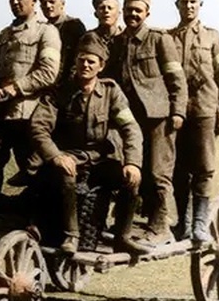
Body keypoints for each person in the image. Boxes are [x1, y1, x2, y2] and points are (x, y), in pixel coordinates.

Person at [31, 34, 146, 254]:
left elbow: (131, 128)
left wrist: (133, 163)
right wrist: (56, 156)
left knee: (130, 179)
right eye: (81, 60)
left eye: (91, 61)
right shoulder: (59, 93)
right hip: (67, 157)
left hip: (99, 160)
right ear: (75, 62)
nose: (85, 65)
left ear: (101, 66)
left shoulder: (111, 92)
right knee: (66, 177)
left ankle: (122, 236)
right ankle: (71, 236)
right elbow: (39, 128)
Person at [104, 0, 187, 245]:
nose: (132, 15)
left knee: (159, 173)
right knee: (130, 170)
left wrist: (178, 112)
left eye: (138, 10)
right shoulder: (118, 42)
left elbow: (177, 79)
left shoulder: (160, 39)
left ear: (147, 12)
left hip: (158, 116)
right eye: (128, 10)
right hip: (130, 119)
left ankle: (161, 227)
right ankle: (126, 225)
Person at [0, 0, 61, 214]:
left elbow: (48, 72)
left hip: (27, 115)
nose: (15, 2)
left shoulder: (46, 33)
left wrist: (16, 88)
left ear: (33, 0)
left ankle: (36, 221)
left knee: (33, 170)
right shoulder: (4, 35)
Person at [168, 0, 219, 243]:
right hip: (179, 112)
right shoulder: (168, 37)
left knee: (203, 167)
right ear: (177, 5)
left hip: (205, 107)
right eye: (185, 2)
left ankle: (200, 223)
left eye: (194, 2)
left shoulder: (213, 36)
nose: (189, 6)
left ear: (200, 5)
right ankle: (183, 221)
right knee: (179, 169)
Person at [38, 0, 87, 85]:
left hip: (69, 84)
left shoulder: (74, 26)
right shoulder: (40, 30)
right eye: (44, 3)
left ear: (62, 4)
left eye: (52, 2)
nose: (48, 6)